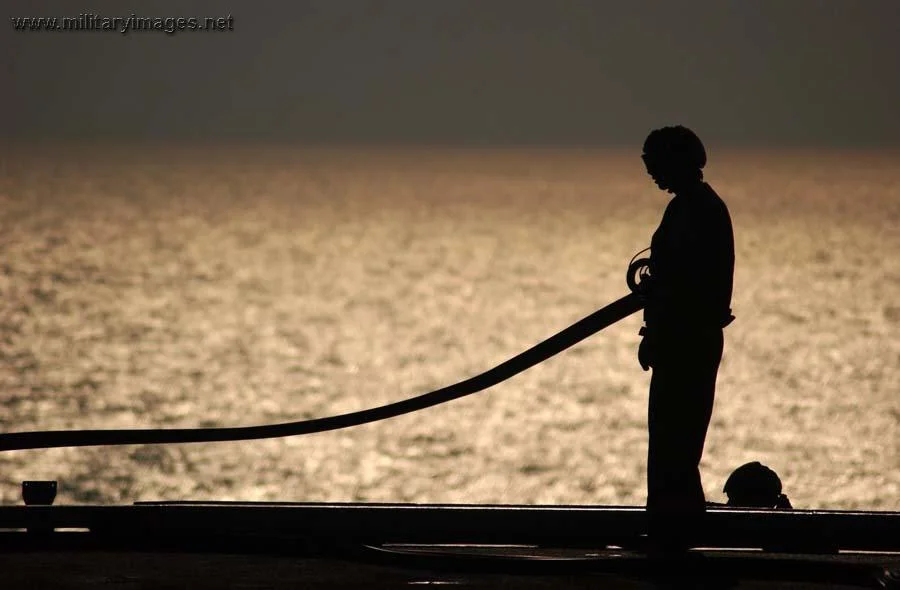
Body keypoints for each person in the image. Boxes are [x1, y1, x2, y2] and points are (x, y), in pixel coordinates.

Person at [637, 125, 735, 550]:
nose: (651, 173)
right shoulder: (697, 206)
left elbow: (684, 285)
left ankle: (672, 536)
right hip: (687, 338)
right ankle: (675, 530)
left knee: (672, 442)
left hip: (685, 342)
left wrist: (658, 332)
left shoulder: (694, 210)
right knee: (674, 441)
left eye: (655, 163)